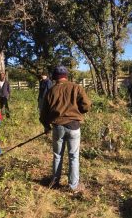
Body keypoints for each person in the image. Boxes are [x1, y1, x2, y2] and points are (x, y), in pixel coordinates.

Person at [40, 65, 91, 193]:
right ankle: (73, 186)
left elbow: (44, 113)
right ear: (66, 76)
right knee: (74, 156)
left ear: (54, 77)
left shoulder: (51, 91)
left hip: (58, 127)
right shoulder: (76, 87)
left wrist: (46, 126)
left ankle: (55, 182)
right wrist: (76, 112)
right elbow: (86, 106)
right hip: (74, 126)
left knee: (57, 155)